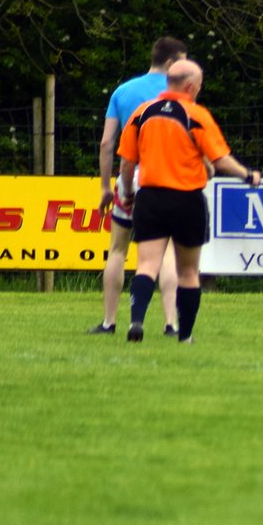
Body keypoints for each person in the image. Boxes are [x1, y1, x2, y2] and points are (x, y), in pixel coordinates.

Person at [116, 59, 261, 343]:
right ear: (190, 86)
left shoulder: (141, 113)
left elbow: (127, 163)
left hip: (151, 197)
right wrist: (248, 175)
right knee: (189, 272)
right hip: (187, 200)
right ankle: (185, 335)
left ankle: (136, 322)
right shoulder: (196, 115)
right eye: (200, 86)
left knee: (147, 266)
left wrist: (128, 193)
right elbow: (220, 160)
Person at [90, 36, 185, 336]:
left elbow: (107, 144)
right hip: (164, 180)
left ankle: (109, 322)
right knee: (166, 251)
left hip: (129, 175)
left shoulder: (123, 91)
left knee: (117, 250)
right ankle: (170, 323)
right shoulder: (180, 93)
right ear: (170, 63)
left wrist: (106, 186)